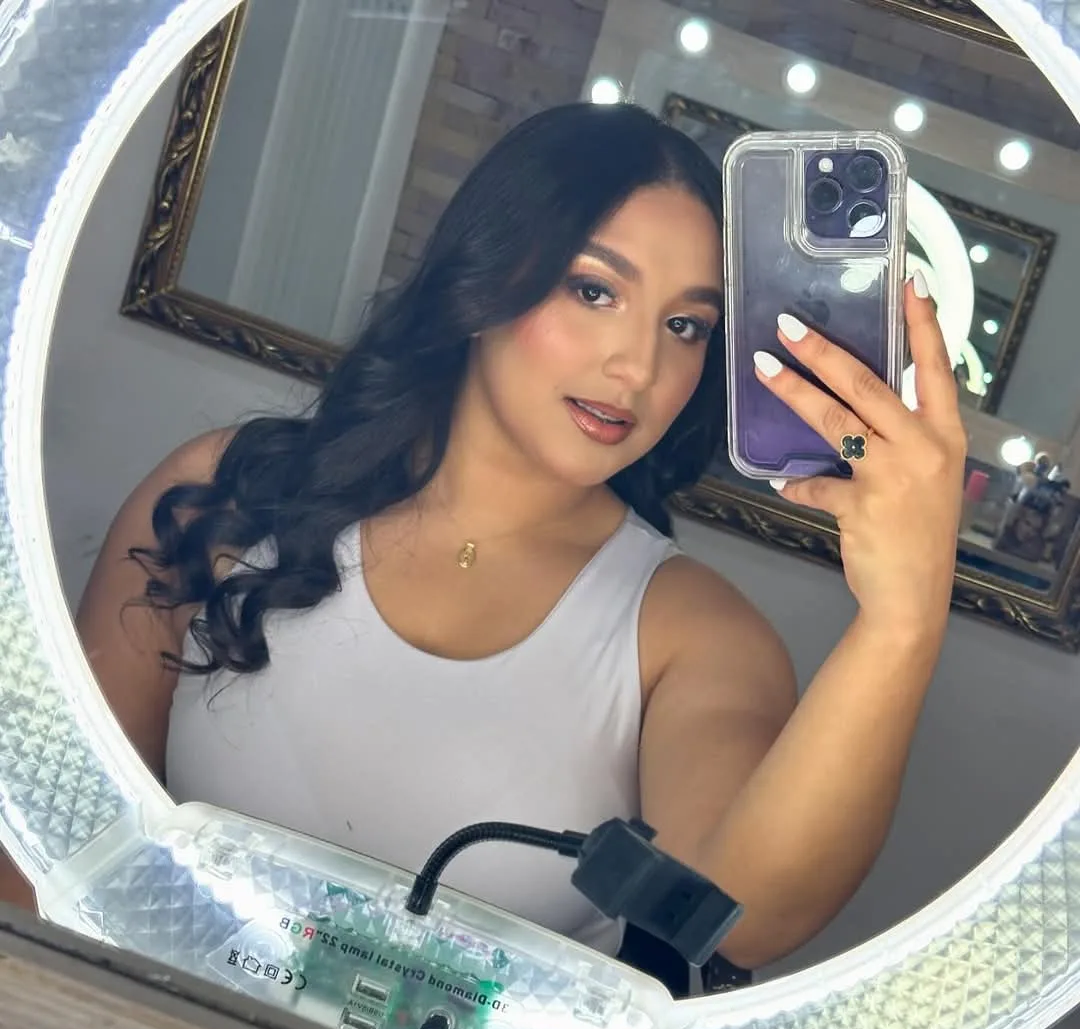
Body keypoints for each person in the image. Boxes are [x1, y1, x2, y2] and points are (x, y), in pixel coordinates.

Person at [3, 102, 966, 981]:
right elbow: (44, 836)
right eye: (594, 291)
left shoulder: (692, 633)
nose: (638, 365)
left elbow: (741, 922)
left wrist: (903, 620)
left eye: (685, 325)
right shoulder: (226, 495)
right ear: (488, 275)